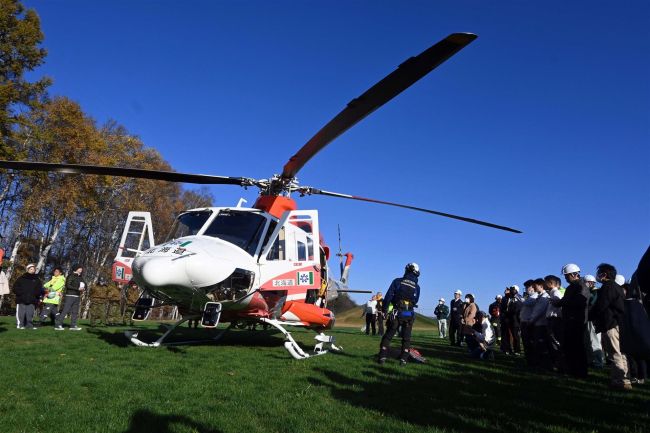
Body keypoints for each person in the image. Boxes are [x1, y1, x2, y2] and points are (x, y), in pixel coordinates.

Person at [590, 263, 631, 390]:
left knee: (614, 353)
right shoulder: (616, 287)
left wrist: (591, 315)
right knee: (621, 353)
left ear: (604, 274)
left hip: (610, 324)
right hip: (617, 323)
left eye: (599, 273)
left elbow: (601, 306)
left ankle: (618, 381)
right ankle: (626, 379)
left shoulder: (607, 287)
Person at [378, 263, 421, 365]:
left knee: (388, 336)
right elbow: (415, 300)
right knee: (406, 338)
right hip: (409, 315)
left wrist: (384, 310)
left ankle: (382, 357)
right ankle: (404, 359)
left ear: (407, 270)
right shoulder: (417, 287)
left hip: (397, 313)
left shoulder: (397, 281)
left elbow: (388, 296)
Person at [553, 263, 589, 378]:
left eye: (567, 275)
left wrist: (563, 303)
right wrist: (557, 303)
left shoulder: (581, 286)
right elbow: (565, 301)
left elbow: (579, 302)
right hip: (569, 321)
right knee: (569, 347)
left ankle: (580, 372)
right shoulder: (570, 287)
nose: (565, 278)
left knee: (577, 347)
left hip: (577, 321)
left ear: (574, 274)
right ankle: (571, 370)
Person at [529, 278, 552, 370]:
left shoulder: (544, 297)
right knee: (538, 345)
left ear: (541, 286)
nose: (534, 287)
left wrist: (531, 321)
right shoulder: (540, 296)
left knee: (542, 345)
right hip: (537, 323)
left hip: (541, 324)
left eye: (535, 285)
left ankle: (545, 365)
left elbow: (539, 311)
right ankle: (540, 364)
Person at [55, 265, 87, 331]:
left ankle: (73, 326)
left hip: (77, 296)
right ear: (76, 269)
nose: (81, 269)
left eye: (81, 268)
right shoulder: (71, 276)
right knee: (65, 310)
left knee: (75, 312)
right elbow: (68, 285)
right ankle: (58, 325)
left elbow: (85, 284)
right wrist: (77, 289)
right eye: (80, 268)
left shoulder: (80, 277)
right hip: (70, 295)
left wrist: (84, 288)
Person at [544, 274, 565, 372]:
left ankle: (558, 364)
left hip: (555, 320)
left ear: (551, 283)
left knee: (555, 342)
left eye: (545, 282)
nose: (544, 285)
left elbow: (559, 305)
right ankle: (556, 363)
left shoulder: (556, 293)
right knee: (552, 342)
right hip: (552, 320)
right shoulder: (552, 293)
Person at [584, 274, 604, 369]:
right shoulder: (591, 291)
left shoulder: (595, 292)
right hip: (589, 319)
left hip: (593, 319)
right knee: (588, 341)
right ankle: (591, 360)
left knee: (595, 341)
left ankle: (598, 363)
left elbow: (591, 302)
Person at [14, 263, 42, 329]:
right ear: (27, 270)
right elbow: (15, 287)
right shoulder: (21, 278)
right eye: (31, 269)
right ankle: (20, 325)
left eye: (33, 269)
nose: (32, 270)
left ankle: (29, 325)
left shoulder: (37, 280)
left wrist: (36, 294)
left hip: (32, 299)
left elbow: (39, 289)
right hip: (21, 299)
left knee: (30, 313)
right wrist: (20, 293)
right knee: (21, 313)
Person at [519, 280, 538, 366]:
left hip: (528, 322)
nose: (526, 289)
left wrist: (517, 295)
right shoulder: (529, 296)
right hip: (524, 321)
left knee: (529, 342)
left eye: (527, 287)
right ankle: (529, 360)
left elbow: (526, 303)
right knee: (525, 342)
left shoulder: (535, 296)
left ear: (532, 287)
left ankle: (532, 362)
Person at [500, 285, 522, 355]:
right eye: (511, 289)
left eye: (513, 289)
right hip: (506, 318)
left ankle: (517, 350)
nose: (511, 291)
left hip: (515, 319)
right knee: (506, 335)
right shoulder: (506, 298)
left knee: (515, 335)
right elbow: (502, 308)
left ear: (517, 290)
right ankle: (507, 349)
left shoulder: (519, 297)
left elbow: (518, 308)